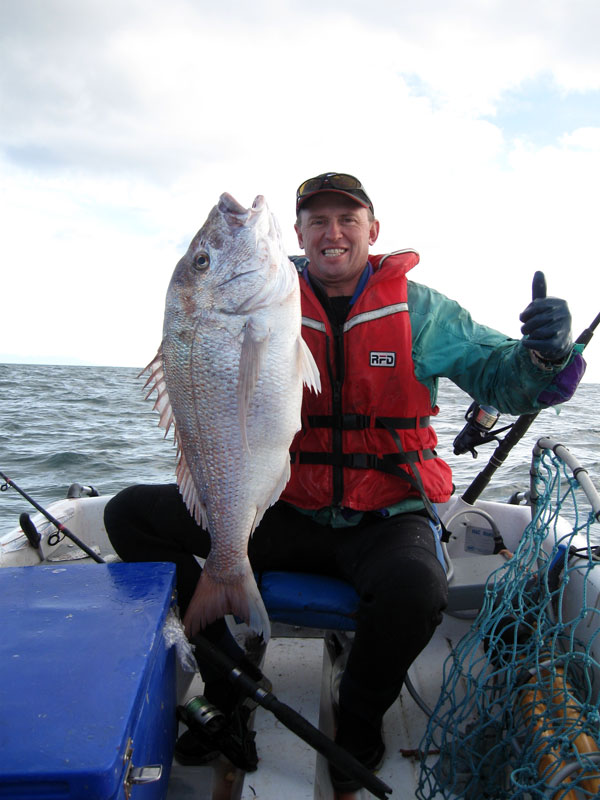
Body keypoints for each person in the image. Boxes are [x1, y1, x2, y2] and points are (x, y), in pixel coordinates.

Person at [104, 172, 585, 792]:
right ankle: (227, 684)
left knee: (417, 590)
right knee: (127, 515)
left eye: (347, 219)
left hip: (382, 517)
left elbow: (509, 383)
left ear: (372, 231)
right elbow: (198, 365)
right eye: (318, 221)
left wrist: (546, 355)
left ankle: (358, 716)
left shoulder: (420, 309)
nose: (333, 232)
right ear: (298, 235)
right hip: (279, 504)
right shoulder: (271, 299)